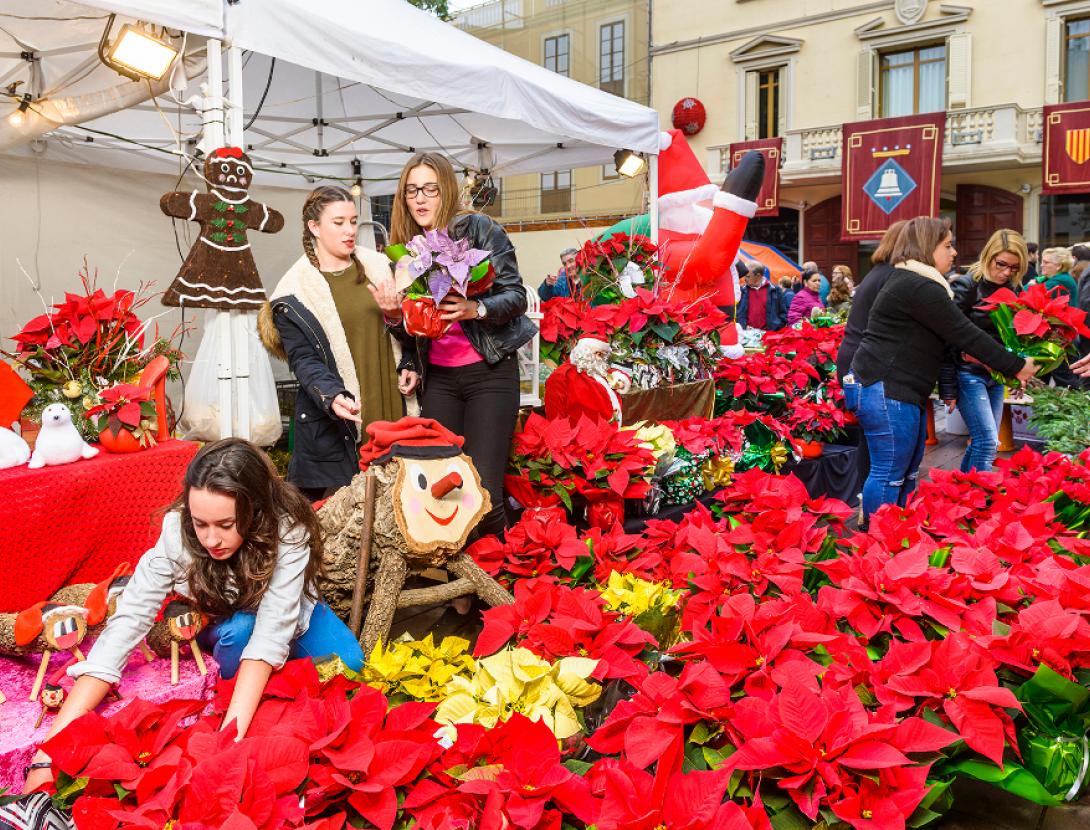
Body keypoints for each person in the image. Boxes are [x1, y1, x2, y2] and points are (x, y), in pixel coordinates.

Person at [23, 439, 363, 792]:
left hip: (286, 609)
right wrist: (48, 755)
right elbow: (127, 625)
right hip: (227, 616)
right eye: (201, 524)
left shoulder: (288, 531)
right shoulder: (176, 534)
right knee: (240, 636)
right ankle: (248, 689)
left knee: (351, 664)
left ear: (255, 510)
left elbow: (272, 631)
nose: (212, 540)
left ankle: (265, 689)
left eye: (226, 524)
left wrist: (224, 748)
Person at [379, 151, 537, 538]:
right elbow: (415, 331)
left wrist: (475, 308)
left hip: (489, 375)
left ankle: (503, 573)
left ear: (446, 190)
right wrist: (395, 320)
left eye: (430, 189)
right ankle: (459, 576)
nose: (420, 198)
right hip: (441, 383)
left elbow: (516, 296)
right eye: (412, 190)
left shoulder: (479, 229)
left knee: (483, 495)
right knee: (445, 490)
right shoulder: (406, 251)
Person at [847, 217, 1035, 527]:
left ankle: (894, 534)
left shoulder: (917, 281)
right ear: (926, 246)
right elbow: (964, 333)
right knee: (890, 473)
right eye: (947, 245)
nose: (954, 252)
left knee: (904, 472)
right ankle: (876, 536)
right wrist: (1017, 366)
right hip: (887, 387)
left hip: (897, 388)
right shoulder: (918, 285)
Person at [259, 185, 406, 500]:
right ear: (314, 227)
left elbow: (411, 333)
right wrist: (332, 394)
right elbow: (303, 360)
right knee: (348, 514)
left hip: (394, 404)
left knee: (398, 505)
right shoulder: (293, 293)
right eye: (338, 223)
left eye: (353, 221)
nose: (349, 230)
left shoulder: (381, 267)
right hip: (347, 417)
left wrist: (407, 353)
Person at [944, 229, 1029, 472]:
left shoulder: (1014, 288)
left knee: (984, 441)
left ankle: (962, 489)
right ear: (989, 256)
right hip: (969, 374)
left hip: (997, 376)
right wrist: (948, 386)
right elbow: (948, 337)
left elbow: (1016, 337)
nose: (1006, 272)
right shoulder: (967, 285)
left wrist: (1017, 369)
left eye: (1014, 268)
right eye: (1001, 264)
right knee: (988, 441)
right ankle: (980, 492)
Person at [736, 264, 787, 331]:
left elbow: (783, 312)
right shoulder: (741, 291)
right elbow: (737, 313)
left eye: (748, 276)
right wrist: (742, 326)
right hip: (746, 334)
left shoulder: (775, 290)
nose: (745, 279)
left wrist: (778, 327)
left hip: (770, 334)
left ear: (758, 276)